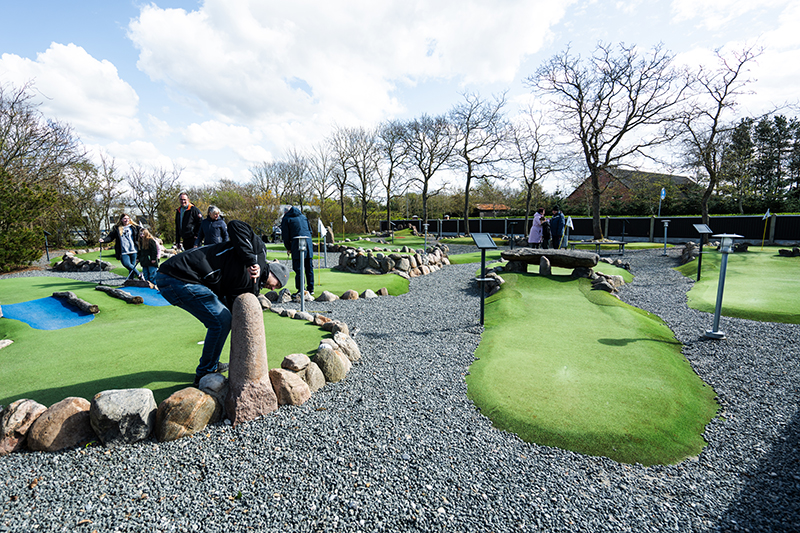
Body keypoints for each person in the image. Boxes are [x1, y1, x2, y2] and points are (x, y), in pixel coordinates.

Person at [155, 220, 290, 386]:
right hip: (177, 275)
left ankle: (211, 363)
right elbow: (235, 225)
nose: (274, 288)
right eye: (277, 284)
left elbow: (233, 306)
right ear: (274, 273)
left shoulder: (250, 288)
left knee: (224, 320)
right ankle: (206, 372)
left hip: (181, 279)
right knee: (221, 321)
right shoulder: (258, 251)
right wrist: (251, 261)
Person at [281, 206, 314, 295]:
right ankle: (311, 289)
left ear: (285, 212)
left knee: (298, 268)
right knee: (309, 267)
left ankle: (301, 290)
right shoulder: (303, 216)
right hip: (308, 243)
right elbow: (310, 231)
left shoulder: (286, 219)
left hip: (297, 244)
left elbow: (285, 235)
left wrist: (288, 247)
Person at [100, 213, 141, 278]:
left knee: (131, 268)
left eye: (128, 218)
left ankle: (131, 280)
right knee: (126, 264)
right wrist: (104, 240)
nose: (126, 220)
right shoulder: (116, 228)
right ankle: (139, 274)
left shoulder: (134, 227)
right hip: (123, 251)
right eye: (124, 218)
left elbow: (143, 232)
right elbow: (110, 237)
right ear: (121, 219)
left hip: (133, 250)